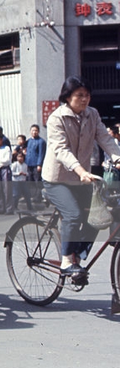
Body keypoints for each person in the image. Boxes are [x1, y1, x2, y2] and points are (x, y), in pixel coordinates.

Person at [42, 76, 120, 276]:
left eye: (87, 95)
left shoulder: (92, 114)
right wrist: (81, 170)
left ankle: (77, 253)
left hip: (81, 178)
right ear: (67, 97)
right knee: (74, 215)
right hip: (57, 179)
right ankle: (67, 262)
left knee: (98, 217)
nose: (85, 99)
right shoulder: (56, 118)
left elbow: (104, 138)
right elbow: (61, 150)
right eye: (79, 95)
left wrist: (118, 159)